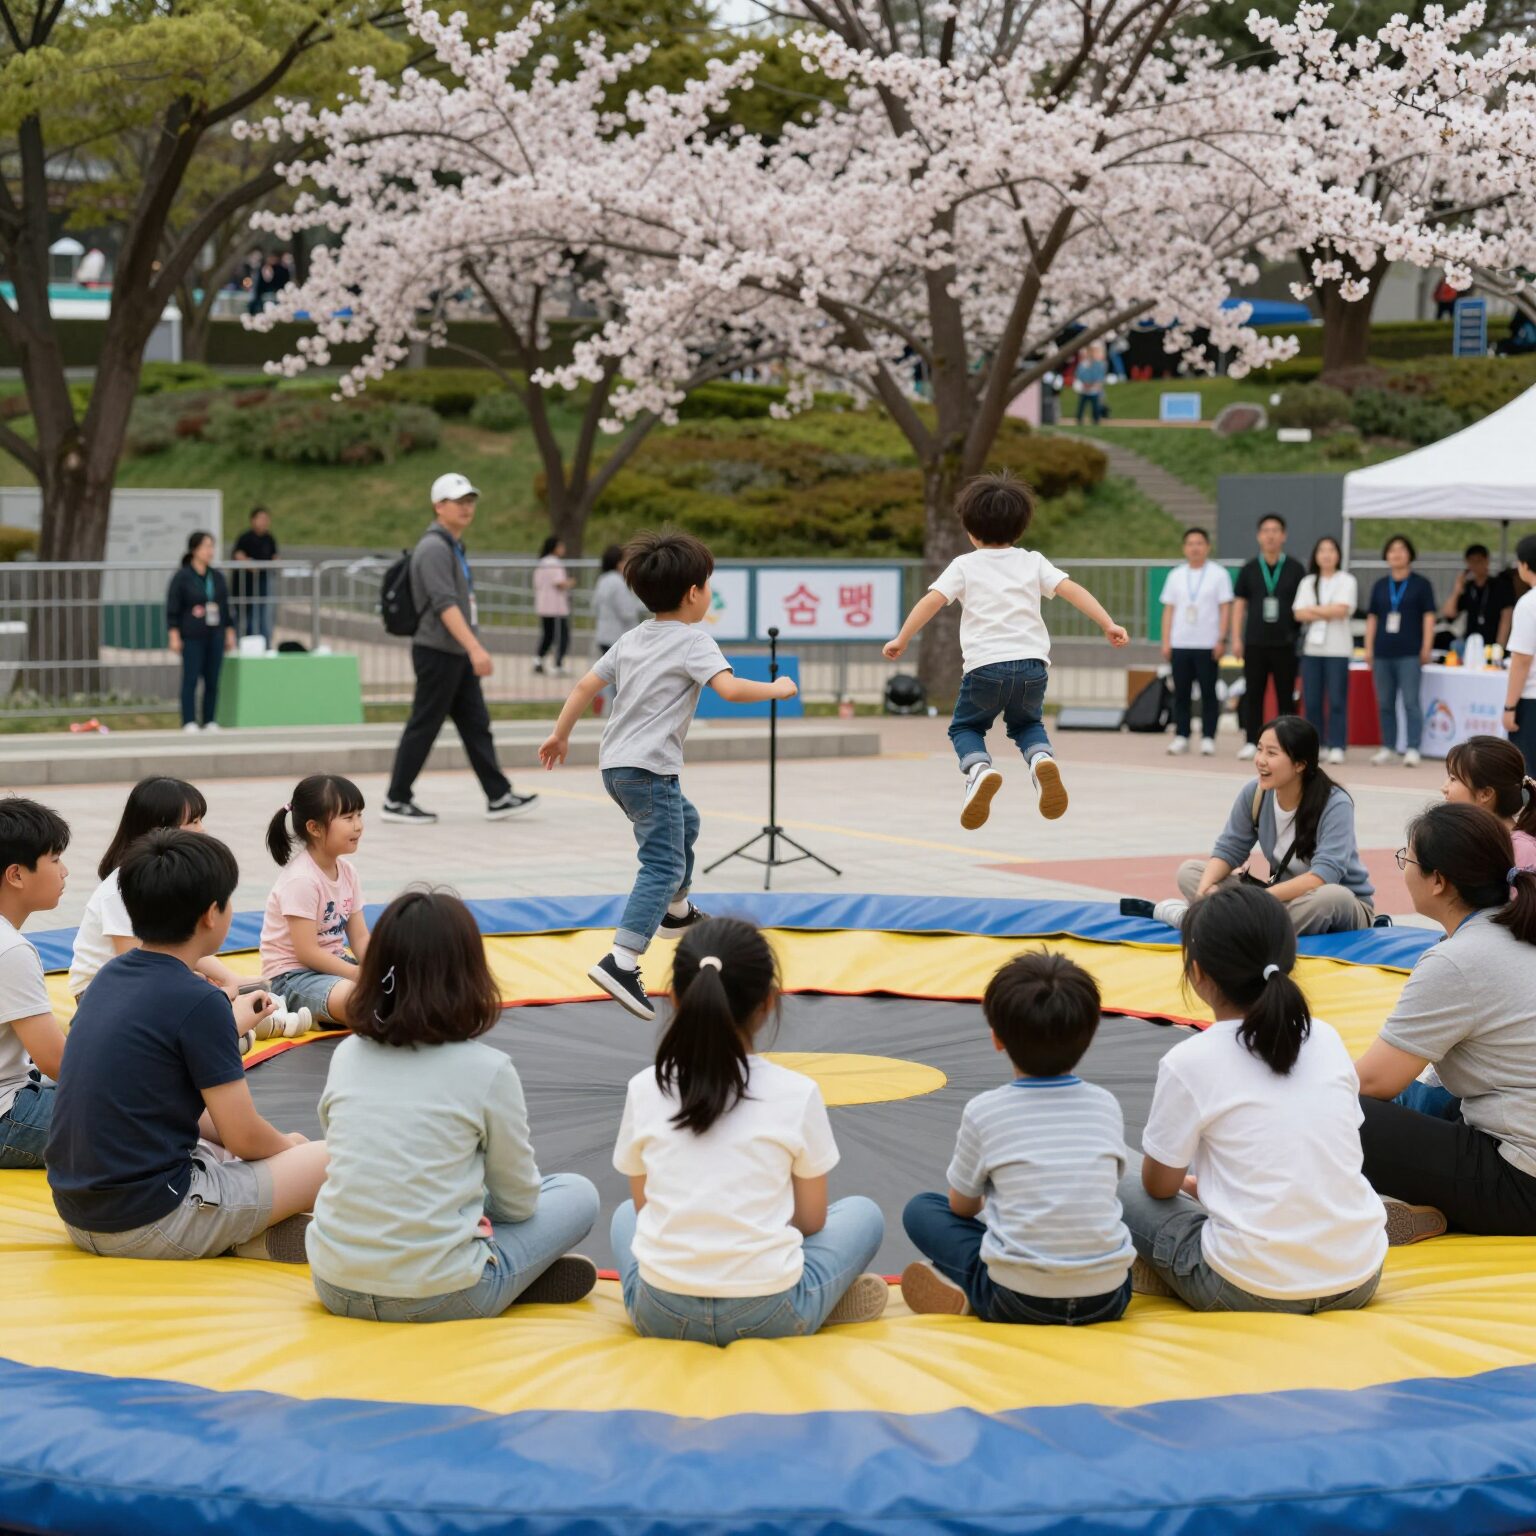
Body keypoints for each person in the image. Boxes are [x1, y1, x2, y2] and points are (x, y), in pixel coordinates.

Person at [539, 532, 797, 1022]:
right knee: (661, 862)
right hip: (650, 770)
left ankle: (676, 911)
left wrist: (560, 735)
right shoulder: (694, 641)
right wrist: (778, 688)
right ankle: (621, 960)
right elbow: (730, 689)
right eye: (709, 586)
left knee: (686, 822)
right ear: (694, 593)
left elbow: (585, 686)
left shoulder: (632, 638)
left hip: (617, 767)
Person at [308, 890, 600, 1321]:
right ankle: (504, 1273)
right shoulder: (488, 1069)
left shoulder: (348, 1053)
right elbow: (518, 1203)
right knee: (578, 1193)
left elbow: (344, 1150)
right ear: (468, 975)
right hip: (439, 1295)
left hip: (334, 1283)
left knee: (444, 1185)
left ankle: (499, 1264)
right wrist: (471, 1201)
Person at [46, 830, 328, 1262]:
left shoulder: (107, 978)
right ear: (212, 914)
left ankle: (247, 1236)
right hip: (152, 1220)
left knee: (226, 1150)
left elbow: (170, 1106)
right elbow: (244, 1136)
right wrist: (290, 1148)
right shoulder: (200, 1001)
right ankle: (242, 1232)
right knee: (330, 1158)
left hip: (81, 1216)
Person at [609, 918, 888, 1343]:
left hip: (660, 1313)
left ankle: (813, 1297)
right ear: (768, 1003)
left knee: (624, 1217)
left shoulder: (645, 1087)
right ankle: (816, 1300)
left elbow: (645, 1207)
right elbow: (811, 1221)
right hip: (770, 1311)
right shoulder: (797, 1092)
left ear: (677, 999)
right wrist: (754, 1227)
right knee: (864, 1214)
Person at [1120, 884, 1387, 1311]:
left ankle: (1168, 1267)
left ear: (1197, 973)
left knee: (1115, 1165)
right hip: (1360, 1275)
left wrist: (1193, 1186)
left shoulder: (1190, 1061)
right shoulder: (1326, 1037)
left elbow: (1158, 1186)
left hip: (1247, 1288)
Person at [883, 471, 1129, 830]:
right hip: (1032, 666)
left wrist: (902, 638)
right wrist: (1108, 623)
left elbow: (931, 601)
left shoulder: (964, 565)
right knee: (1027, 724)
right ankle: (1041, 759)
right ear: (1021, 528)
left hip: (985, 667)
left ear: (970, 529)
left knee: (965, 727)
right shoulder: (1033, 561)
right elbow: (1071, 590)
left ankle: (979, 769)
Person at [900, 952, 1134, 1322]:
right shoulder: (1106, 1105)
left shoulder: (985, 1111)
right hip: (1110, 1297)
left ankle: (972, 1290)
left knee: (922, 1210)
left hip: (1016, 1300)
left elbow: (962, 1207)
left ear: (996, 1038)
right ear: (1089, 1037)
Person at [1354, 803, 1536, 1236]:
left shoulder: (1457, 960)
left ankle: (1347, 1209)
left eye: (1407, 858)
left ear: (1438, 880)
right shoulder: (1517, 930)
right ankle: (1413, 1204)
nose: (1403, 868)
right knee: (1428, 1098)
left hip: (1521, 1185)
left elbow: (1374, 1082)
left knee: (1338, 1112)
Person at [382, 472, 536, 826]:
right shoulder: (434, 548)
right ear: (439, 506)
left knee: (476, 724)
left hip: (454, 652)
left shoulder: (451, 545)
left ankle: (498, 795)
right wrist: (475, 648)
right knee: (424, 724)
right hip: (438, 651)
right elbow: (444, 604)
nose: (467, 508)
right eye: (458, 502)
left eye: (470, 501)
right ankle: (396, 799)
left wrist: (469, 650)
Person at [67, 777, 277, 1023]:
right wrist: (193, 983)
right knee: (197, 994)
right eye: (194, 822)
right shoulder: (120, 888)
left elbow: (184, 943)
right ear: (161, 830)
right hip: (101, 993)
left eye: (201, 820)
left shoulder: (168, 881)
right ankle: (237, 1025)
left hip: (149, 979)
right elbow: (133, 964)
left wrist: (229, 979)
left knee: (203, 989)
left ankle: (238, 1018)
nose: (202, 829)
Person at [1167, 715, 1374, 934]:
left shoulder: (1335, 804)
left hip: (1330, 902)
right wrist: (1202, 896)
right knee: (1190, 872)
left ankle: (1238, 925)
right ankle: (1249, 924)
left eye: (1272, 753)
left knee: (1332, 898)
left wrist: (1257, 901)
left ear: (1300, 764)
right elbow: (1229, 849)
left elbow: (1323, 877)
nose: (1260, 760)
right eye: (1259, 749)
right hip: (1279, 900)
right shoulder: (1255, 793)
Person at [260, 774, 369, 1028]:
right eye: (348, 818)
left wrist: (379, 967)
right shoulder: (302, 879)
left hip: (334, 966)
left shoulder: (348, 872)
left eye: (359, 815)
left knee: (404, 980)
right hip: (293, 977)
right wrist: (358, 975)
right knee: (360, 1000)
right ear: (315, 828)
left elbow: (360, 937)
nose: (358, 825)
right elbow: (307, 952)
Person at [0, 799, 70, 1168]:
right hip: (6, 1117)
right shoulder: (10, 949)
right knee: (143, 1111)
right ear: (16, 875)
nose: (65, 871)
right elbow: (57, 1062)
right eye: (55, 860)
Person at [1230, 514, 1304, 761]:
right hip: (1255, 642)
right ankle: (1252, 741)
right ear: (1258, 536)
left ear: (1284, 535)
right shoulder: (1250, 568)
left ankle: (1287, 743)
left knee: (1285, 695)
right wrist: (1236, 638)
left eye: (1275, 530)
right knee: (1254, 693)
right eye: (1266, 531)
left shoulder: (1295, 568)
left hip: (1286, 642)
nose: (1270, 535)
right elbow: (1239, 605)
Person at [1160, 527, 1233, 758]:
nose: (1195, 548)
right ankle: (1182, 735)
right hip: (1180, 643)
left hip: (1207, 644)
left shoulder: (1219, 574)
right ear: (1184, 548)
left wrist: (1221, 639)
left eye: (1199, 543)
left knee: (1208, 692)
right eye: (1190, 544)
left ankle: (1208, 737)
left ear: (1207, 547)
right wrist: (1166, 641)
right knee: (1181, 693)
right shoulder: (1176, 575)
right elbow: (1169, 610)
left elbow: (1225, 608)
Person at [1365, 534, 1436, 768]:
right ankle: (1388, 745)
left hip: (1410, 652)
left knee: (1410, 702)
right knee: (1385, 702)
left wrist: (1426, 646)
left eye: (1402, 549)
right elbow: (1372, 618)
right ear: (1386, 555)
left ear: (1410, 555)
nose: (1397, 554)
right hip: (1382, 652)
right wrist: (1368, 647)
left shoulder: (1421, 584)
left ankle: (1413, 747)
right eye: (1392, 550)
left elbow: (1429, 617)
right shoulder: (1380, 585)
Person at [1293, 536, 1358, 766]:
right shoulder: (1308, 581)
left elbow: (1342, 610)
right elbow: (1298, 613)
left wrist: (1314, 610)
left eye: (1331, 550)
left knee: (1337, 699)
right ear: (1316, 555)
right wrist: (1327, 610)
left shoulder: (1346, 580)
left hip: (1338, 649)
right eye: (1322, 550)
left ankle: (1337, 744)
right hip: (1312, 649)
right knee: (1312, 701)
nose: (1327, 555)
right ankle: (1316, 745)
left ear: (1338, 555)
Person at [166, 530, 236, 734]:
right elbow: (172, 608)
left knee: (212, 678)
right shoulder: (182, 577)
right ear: (194, 549)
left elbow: (225, 607)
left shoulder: (217, 577)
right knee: (191, 678)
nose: (210, 551)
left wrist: (229, 632)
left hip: (215, 633)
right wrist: (174, 635)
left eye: (212, 546)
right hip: (192, 634)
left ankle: (210, 719)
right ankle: (189, 719)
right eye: (206, 546)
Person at [1441, 735, 1536, 872]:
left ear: (1485, 794)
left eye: (1453, 779)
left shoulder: (1520, 851)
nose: (1444, 788)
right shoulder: (1462, 838)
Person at [592, 543, 647, 715]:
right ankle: (616, 714)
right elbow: (627, 611)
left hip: (603, 634)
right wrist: (643, 606)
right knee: (621, 681)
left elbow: (594, 606)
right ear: (618, 562)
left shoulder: (602, 580)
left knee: (608, 678)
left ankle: (607, 711)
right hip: (618, 636)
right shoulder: (618, 583)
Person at [1441, 543, 1514, 654]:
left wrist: (1500, 647)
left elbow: (1506, 616)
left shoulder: (1501, 586)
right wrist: (1456, 590)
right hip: (1471, 644)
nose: (1475, 566)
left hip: (1493, 644)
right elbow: (1449, 613)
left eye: (1479, 561)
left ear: (1486, 561)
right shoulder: (1468, 587)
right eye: (1471, 562)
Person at [1505, 534, 1536, 776]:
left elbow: (1522, 660)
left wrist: (1509, 706)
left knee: (1526, 775)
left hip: (1531, 699)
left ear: (1525, 565)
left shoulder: (1528, 603)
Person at [231, 506, 279, 648]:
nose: (264, 522)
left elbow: (275, 556)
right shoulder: (245, 538)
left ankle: (264, 645)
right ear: (253, 520)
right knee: (243, 618)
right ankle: (241, 644)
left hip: (263, 584)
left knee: (263, 616)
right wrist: (250, 565)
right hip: (244, 585)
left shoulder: (269, 538)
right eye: (261, 518)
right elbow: (238, 555)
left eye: (266, 519)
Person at [532, 535, 575, 676]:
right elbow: (559, 583)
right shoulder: (554, 563)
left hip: (544, 605)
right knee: (563, 636)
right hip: (557, 607)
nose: (563, 549)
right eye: (561, 546)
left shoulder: (541, 563)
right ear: (554, 547)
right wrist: (570, 582)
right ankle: (558, 664)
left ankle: (538, 660)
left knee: (548, 635)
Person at [1072, 344, 1109, 425]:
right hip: (1084, 390)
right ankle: (1079, 419)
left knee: (1095, 407)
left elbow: (1100, 377)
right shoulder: (1083, 364)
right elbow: (1079, 375)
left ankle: (1096, 420)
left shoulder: (1099, 364)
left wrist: (1094, 385)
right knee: (1081, 406)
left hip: (1094, 390)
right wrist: (1084, 383)